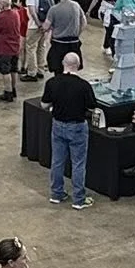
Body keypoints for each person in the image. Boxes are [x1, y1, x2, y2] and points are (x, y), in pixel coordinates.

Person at [44, 51, 96, 210]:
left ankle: (56, 194)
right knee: (78, 163)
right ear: (78, 66)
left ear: (63, 64)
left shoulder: (52, 82)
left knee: (57, 161)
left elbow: (44, 104)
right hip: (77, 127)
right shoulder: (84, 86)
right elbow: (92, 107)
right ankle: (79, 199)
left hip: (58, 125)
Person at [45, 0, 86, 72]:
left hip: (58, 43)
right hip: (74, 43)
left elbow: (46, 26)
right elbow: (84, 22)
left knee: (58, 69)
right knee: (72, 68)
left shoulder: (54, 9)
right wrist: (78, 33)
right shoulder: (76, 5)